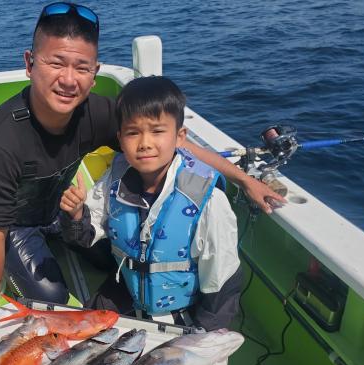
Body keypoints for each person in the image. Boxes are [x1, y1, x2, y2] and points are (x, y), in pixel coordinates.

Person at [0, 2, 283, 342]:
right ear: (30, 63)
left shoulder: (97, 113)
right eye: (55, 63)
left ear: (95, 72)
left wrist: (244, 180)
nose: (68, 80)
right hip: (12, 221)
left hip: (60, 207)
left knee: (116, 256)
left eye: (81, 67)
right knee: (52, 299)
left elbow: (175, 144)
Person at [59, 76, 242, 330]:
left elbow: (221, 281)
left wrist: (202, 334)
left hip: (182, 309)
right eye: (133, 133)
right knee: (73, 335)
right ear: (120, 138)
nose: (144, 144)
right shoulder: (114, 179)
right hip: (124, 290)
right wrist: (77, 214)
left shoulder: (206, 200)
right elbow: (85, 236)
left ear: (180, 136)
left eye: (157, 131)